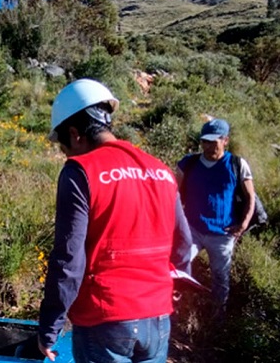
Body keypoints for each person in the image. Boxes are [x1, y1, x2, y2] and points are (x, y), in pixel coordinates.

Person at [37, 79, 192, 363]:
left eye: (63, 146)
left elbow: (69, 260)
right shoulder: (160, 170)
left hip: (105, 318)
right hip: (157, 317)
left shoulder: (80, 172)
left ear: (74, 133)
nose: (66, 154)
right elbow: (184, 243)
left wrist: (49, 327)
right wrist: (168, 290)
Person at [176, 118, 255, 318]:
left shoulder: (237, 165)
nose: (209, 146)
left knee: (220, 276)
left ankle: (217, 317)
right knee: (179, 268)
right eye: (205, 141)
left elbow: (250, 197)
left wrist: (243, 224)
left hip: (222, 233)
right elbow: (174, 194)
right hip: (192, 229)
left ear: (225, 140)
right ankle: (179, 309)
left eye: (214, 141)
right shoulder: (189, 163)